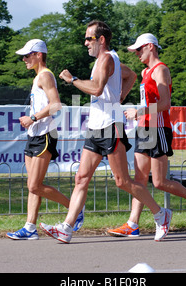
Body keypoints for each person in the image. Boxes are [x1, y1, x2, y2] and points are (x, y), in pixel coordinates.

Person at [39, 21, 173, 243]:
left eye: (89, 39)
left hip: (111, 126)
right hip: (96, 126)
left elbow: (97, 88)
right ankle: (67, 227)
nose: (85, 43)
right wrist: (119, 97)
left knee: (122, 181)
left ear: (101, 40)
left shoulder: (108, 58)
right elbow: (129, 76)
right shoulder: (105, 61)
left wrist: (72, 80)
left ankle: (160, 214)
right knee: (81, 177)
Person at [108, 34, 186, 238]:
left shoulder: (161, 69)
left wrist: (139, 112)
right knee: (139, 180)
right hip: (144, 128)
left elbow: (165, 104)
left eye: (138, 50)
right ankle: (132, 224)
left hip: (158, 129)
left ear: (150, 47)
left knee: (160, 182)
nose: (136, 54)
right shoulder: (145, 71)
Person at [6, 39, 84, 240]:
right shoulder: (38, 77)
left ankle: (75, 209)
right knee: (33, 184)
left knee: (34, 186)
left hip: (46, 135)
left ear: (38, 55)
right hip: (34, 135)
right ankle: (30, 228)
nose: (24, 59)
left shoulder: (45, 75)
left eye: (27, 55)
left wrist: (32, 118)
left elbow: (56, 104)